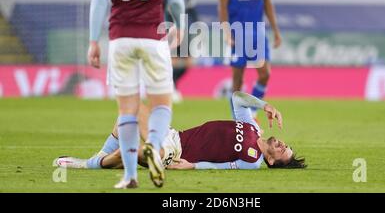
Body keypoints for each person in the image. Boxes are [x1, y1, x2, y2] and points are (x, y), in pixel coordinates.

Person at [87, 0, 184, 189]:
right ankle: (154, 144)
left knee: (127, 111)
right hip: (153, 38)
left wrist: (94, 41)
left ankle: (130, 175)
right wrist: (179, 25)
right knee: (161, 104)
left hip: (120, 40)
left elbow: (100, 1)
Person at [55, 92, 306, 170]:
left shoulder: (253, 160)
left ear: (272, 161)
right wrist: (265, 105)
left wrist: (192, 166)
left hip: (173, 153)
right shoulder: (253, 126)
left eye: (283, 152)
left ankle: (85, 164)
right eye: (286, 145)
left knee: (138, 150)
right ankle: (102, 158)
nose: (283, 145)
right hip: (174, 134)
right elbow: (237, 98)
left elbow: (222, 167)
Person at [218, 0, 282, 119]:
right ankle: (238, 120)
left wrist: (276, 30)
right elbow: (222, 6)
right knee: (238, 78)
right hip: (238, 31)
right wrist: (226, 31)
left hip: (258, 32)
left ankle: (251, 111)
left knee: (265, 74)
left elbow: (267, 3)